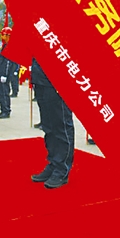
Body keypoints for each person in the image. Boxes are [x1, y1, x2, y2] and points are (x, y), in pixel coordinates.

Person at [30, 58, 74, 189]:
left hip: (57, 80)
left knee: (61, 125)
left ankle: (62, 169)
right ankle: (53, 163)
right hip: (40, 79)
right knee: (48, 126)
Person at [0, 27, 18, 119]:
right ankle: (2, 109)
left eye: (3, 35)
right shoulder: (5, 46)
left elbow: (8, 62)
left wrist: (5, 74)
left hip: (4, 75)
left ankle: (6, 110)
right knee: (0, 93)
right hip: (0, 73)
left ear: (8, 36)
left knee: (4, 93)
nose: (1, 36)